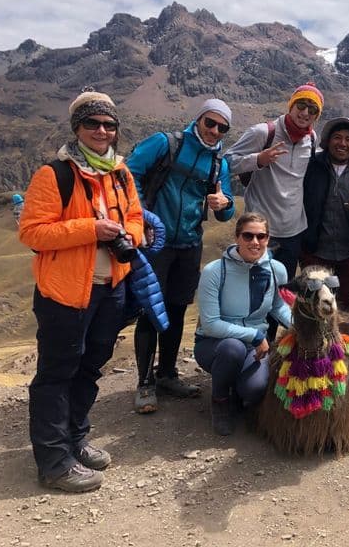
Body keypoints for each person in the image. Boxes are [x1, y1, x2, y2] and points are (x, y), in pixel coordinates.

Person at [19, 89, 144, 492]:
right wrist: (92, 229)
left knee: (90, 367)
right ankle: (54, 462)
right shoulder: (53, 174)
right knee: (57, 373)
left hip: (112, 288)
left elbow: (138, 217)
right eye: (92, 123)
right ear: (78, 128)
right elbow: (33, 232)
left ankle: (74, 438)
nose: (101, 131)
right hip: (66, 293)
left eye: (109, 125)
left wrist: (130, 235)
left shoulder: (121, 174)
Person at [126, 99, 236, 414]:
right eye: (210, 123)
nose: (215, 131)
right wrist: (142, 217)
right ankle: (144, 384)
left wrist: (222, 203)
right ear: (198, 120)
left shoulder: (219, 164)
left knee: (176, 308)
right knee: (150, 309)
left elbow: (226, 212)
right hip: (154, 242)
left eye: (221, 127)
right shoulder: (166, 143)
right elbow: (127, 175)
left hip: (189, 244)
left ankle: (167, 375)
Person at [194, 213, 292, 435]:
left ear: (268, 239)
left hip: (253, 347)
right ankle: (219, 401)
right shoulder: (214, 271)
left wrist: (301, 327)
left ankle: (236, 392)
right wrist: (255, 336)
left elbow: (279, 306)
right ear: (237, 237)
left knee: (255, 389)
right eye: (248, 236)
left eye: (261, 236)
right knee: (232, 349)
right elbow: (210, 324)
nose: (255, 242)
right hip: (215, 343)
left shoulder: (277, 270)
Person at [225, 82, 324, 280]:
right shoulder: (263, 132)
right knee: (253, 291)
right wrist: (258, 160)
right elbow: (226, 161)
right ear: (291, 105)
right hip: (259, 232)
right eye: (301, 105)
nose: (305, 113)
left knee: (282, 293)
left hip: (293, 233)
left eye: (312, 109)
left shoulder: (311, 139)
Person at [301, 117, 349, 314]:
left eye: (348, 139)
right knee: (312, 306)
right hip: (314, 251)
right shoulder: (312, 165)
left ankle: (342, 346)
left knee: (347, 310)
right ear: (328, 140)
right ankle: (314, 346)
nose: (342, 143)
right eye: (337, 137)